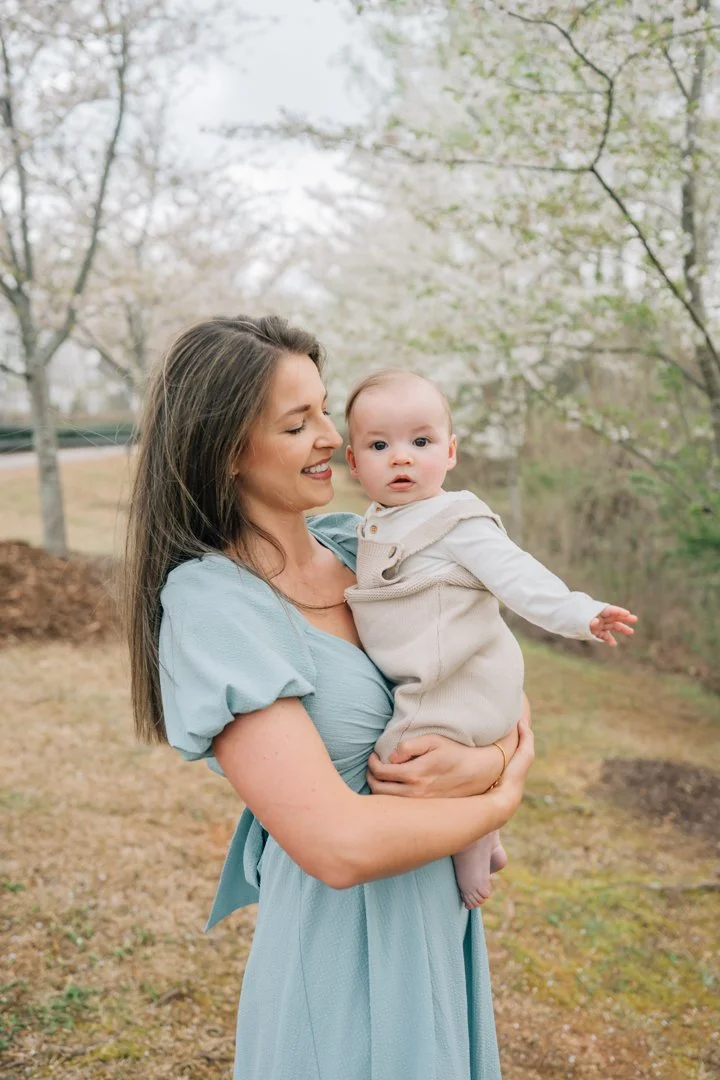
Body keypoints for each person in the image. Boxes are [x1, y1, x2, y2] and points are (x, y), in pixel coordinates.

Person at [125, 315, 535, 1080]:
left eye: (323, 408)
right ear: (227, 450)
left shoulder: (367, 545)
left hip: (435, 918)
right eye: (297, 422)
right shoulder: (216, 602)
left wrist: (485, 756)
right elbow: (337, 847)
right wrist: (499, 796)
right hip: (342, 943)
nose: (330, 437)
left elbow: (496, 669)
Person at [343, 369, 637, 909]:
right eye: (380, 445)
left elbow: (520, 578)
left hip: (460, 676)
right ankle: (485, 834)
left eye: (421, 441)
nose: (402, 457)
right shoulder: (372, 523)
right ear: (354, 462)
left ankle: (474, 836)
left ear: (451, 452)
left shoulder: (458, 521)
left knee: (399, 759)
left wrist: (582, 613)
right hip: (430, 669)